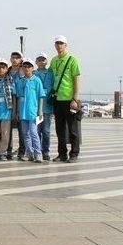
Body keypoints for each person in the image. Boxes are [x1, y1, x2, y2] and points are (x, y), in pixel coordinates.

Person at [49, 35, 82, 163]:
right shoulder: (54, 60)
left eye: (61, 43)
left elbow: (76, 79)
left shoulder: (72, 60)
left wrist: (75, 98)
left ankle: (74, 153)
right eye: (57, 43)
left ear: (65, 45)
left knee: (73, 129)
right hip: (57, 100)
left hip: (69, 100)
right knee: (59, 129)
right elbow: (51, 77)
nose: (59, 45)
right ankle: (62, 154)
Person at [15, 59, 45, 162]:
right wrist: (18, 112)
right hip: (23, 112)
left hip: (33, 112)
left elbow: (41, 96)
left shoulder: (36, 80)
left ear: (32, 68)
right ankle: (29, 153)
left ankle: (38, 154)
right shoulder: (20, 81)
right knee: (25, 134)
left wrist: (40, 111)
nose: (27, 68)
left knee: (33, 132)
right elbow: (19, 97)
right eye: (25, 66)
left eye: (29, 66)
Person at [34, 52, 54, 161]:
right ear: (36, 62)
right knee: (36, 131)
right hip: (36, 108)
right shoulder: (33, 74)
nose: (41, 61)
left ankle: (45, 151)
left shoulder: (51, 74)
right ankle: (37, 151)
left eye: (43, 60)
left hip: (47, 108)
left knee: (46, 131)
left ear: (46, 61)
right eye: (39, 60)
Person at [6, 50, 25, 160]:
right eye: (13, 57)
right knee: (8, 128)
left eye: (17, 58)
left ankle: (22, 151)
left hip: (20, 101)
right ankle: (8, 150)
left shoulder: (23, 72)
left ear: (20, 60)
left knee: (21, 128)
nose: (15, 59)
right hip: (8, 101)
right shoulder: (6, 71)